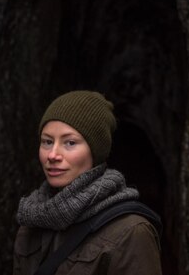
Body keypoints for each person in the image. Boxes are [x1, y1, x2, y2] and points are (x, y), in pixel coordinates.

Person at [13, 90, 163, 275]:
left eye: (70, 143)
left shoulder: (130, 232)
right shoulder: (31, 222)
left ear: (95, 151)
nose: (52, 155)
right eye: (47, 141)